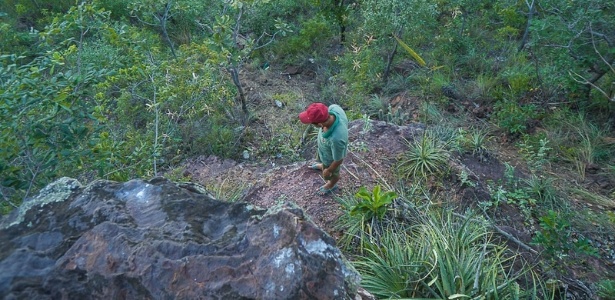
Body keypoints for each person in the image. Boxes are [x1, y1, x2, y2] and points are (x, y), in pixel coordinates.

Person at [299, 102, 349, 196]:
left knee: (333, 174)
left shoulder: (336, 139)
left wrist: (329, 170)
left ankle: (331, 185)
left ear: (319, 124)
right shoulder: (334, 109)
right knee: (324, 162)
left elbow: (339, 159)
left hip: (331, 158)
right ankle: (322, 166)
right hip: (325, 150)